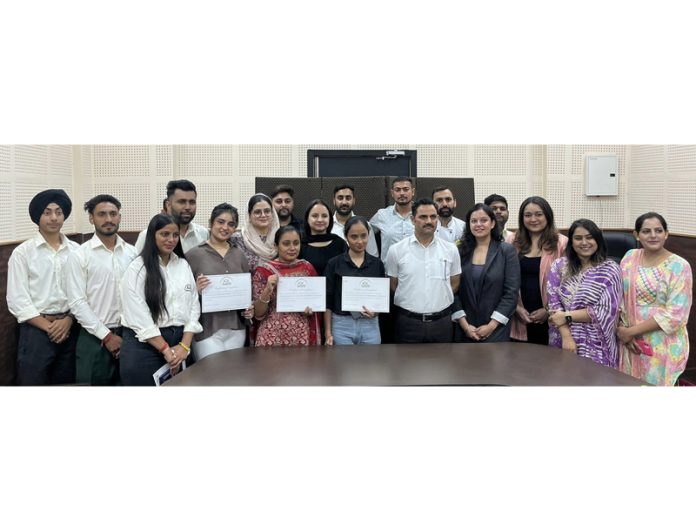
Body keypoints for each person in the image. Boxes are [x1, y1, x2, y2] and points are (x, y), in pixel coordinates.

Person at [7, 189, 80, 385]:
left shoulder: (77, 251)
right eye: (47, 212)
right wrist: (49, 327)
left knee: (68, 384)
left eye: (59, 212)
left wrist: (69, 320)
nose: (54, 218)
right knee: (33, 383)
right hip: (36, 331)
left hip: (70, 327)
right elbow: (17, 300)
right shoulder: (23, 253)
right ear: (37, 216)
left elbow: (83, 292)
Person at [120, 214, 202, 385]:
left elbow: (193, 306)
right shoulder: (137, 268)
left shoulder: (183, 265)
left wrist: (184, 347)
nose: (171, 239)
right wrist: (165, 349)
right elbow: (137, 314)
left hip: (180, 343)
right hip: (144, 345)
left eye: (175, 235)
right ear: (152, 236)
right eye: (164, 234)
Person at [66, 194, 138, 385]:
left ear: (119, 217)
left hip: (130, 336)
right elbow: (77, 302)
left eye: (113, 214)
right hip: (94, 338)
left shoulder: (132, 253)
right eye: (102, 214)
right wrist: (107, 337)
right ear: (91, 218)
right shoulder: (80, 255)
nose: (108, 219)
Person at [617, 212, 693, 385]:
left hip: (662, 342)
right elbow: (618, 296)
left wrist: (631, 332)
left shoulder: (679, 266)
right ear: (636, 234)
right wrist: (622, 329)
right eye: (646, 231)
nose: (653, 236)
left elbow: (675, 315)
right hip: (628, 340)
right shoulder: (630, 257)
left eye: (658, 231)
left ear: (666, 233)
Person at [546, 219, 623, 368]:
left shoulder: (610, 270)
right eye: (578, 238)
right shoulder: (559, 266)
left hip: (596, 342)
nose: (584, 242)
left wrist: (566, 316)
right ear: (571, 242)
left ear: (598, 240)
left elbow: (606, 311)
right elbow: (554, 305)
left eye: (589, 237)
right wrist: (566, 336)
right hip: (561, 337)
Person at [386, 198, 461, 343]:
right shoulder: (396, 250)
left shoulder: (450, 249)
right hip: (408, 323)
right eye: (423, 217)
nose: (429, 221)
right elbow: (393, 285)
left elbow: (455, 283)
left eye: (433, 217)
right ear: (413, 220)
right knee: (406, 365)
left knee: (443, 365)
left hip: (442, 323)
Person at [185, 203, 254, 361]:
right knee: (211, 378)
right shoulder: (194, 255)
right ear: (211, 223)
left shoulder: (239, 255)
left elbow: (246, 293)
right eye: (220, 222)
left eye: (231, 224)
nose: (225, 227)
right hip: (206, 328)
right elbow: (181, 293)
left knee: (233, 378)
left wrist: (249, 308)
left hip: (236, 327)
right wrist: (196, 289)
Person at [453, 204, 520, 343]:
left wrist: (491, 325)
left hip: (496, 329)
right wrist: (465, 326)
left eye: (483, 220)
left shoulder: (506, 251)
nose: (478, 224)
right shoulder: (459, 251)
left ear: (492, 223)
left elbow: (511, 292)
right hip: (465, 328)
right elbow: (452, 291)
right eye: (473, 221)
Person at [507, 196, 568, 344]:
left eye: (539, 214)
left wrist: (547, 311)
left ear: (548, 215)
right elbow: (503, 279)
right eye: (528, 215)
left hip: (551, 317)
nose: (533, 219)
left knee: (547, 363)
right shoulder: (511, 241)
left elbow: (567, 284)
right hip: (517, 315)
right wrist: (516, 308)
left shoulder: (561, 243)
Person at [252, 226, 321, 346]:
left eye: (296, 243)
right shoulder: (264, 271)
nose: (292, 248)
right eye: (286, 244)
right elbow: (257, 313)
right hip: (271, 337)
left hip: (301, 335)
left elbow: (315, 305)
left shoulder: (307, 268)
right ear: (276, 246)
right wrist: (268, 289)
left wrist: (310, 311)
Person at [324, 217, 386, 345]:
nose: (360, 241)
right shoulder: (334, 264)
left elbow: (382, 298)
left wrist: (376, 312)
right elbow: (328, 300)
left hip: (370, 324)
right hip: (342, 324)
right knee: (344, 364)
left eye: (364, 236)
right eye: (354, 237)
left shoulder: (377, 264)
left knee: (371, 363)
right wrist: (328, 332)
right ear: (346, 237)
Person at [135, 179, 208, 253]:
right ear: (168, 205)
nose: (188, 207)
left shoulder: (203, 233)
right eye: (182, 202)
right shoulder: (148, 235)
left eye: (192, 202)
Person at [370, 176, 416, 262]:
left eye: (406, 189)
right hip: (388, 272)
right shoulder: (382, 215)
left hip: (415, 271)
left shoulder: (421, 214)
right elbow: (366, 231)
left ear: (413, 192)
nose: (402, 193)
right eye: (397, 190)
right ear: (392, 193)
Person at [299, 199, 347, 276]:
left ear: (330, 219)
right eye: (315, 216)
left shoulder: (340, 243)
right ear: (307, 218)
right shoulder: (299, 245)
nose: (320, 220)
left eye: (324, 216)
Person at [331, 183, 379, 257]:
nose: (344, 202)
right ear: (334, 201)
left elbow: (373, 256)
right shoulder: (327, 226)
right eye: (340, 198)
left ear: (354, 200)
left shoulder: (365, 225)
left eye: (348, 198)